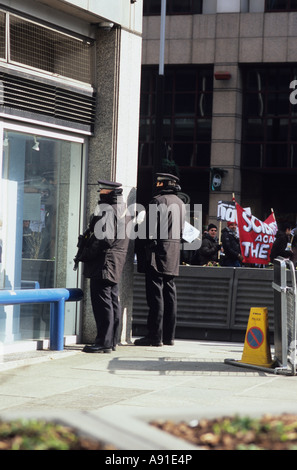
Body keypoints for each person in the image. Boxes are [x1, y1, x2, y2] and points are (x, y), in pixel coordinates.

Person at [134, 173, 185, 347]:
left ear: (162, 184)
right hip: (173, 253)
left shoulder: (158, 201)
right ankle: (169, 336)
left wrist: (136, 227)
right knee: (170, 294)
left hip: (156, 253)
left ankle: (154, 336)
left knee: (155, 296)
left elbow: (147, 230)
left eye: (158, 183)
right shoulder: (180, 203)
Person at [80, 179, 130, 353]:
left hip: (104, 263)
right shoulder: (123, 210)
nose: (100, 194)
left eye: (102, 191)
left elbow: (105, 239)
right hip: (115, 262)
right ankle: (112, 341)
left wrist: (87, 253)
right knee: (111, 301)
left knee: (103, 304)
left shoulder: (109, 211)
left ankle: (103, 342)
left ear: (108, 193)